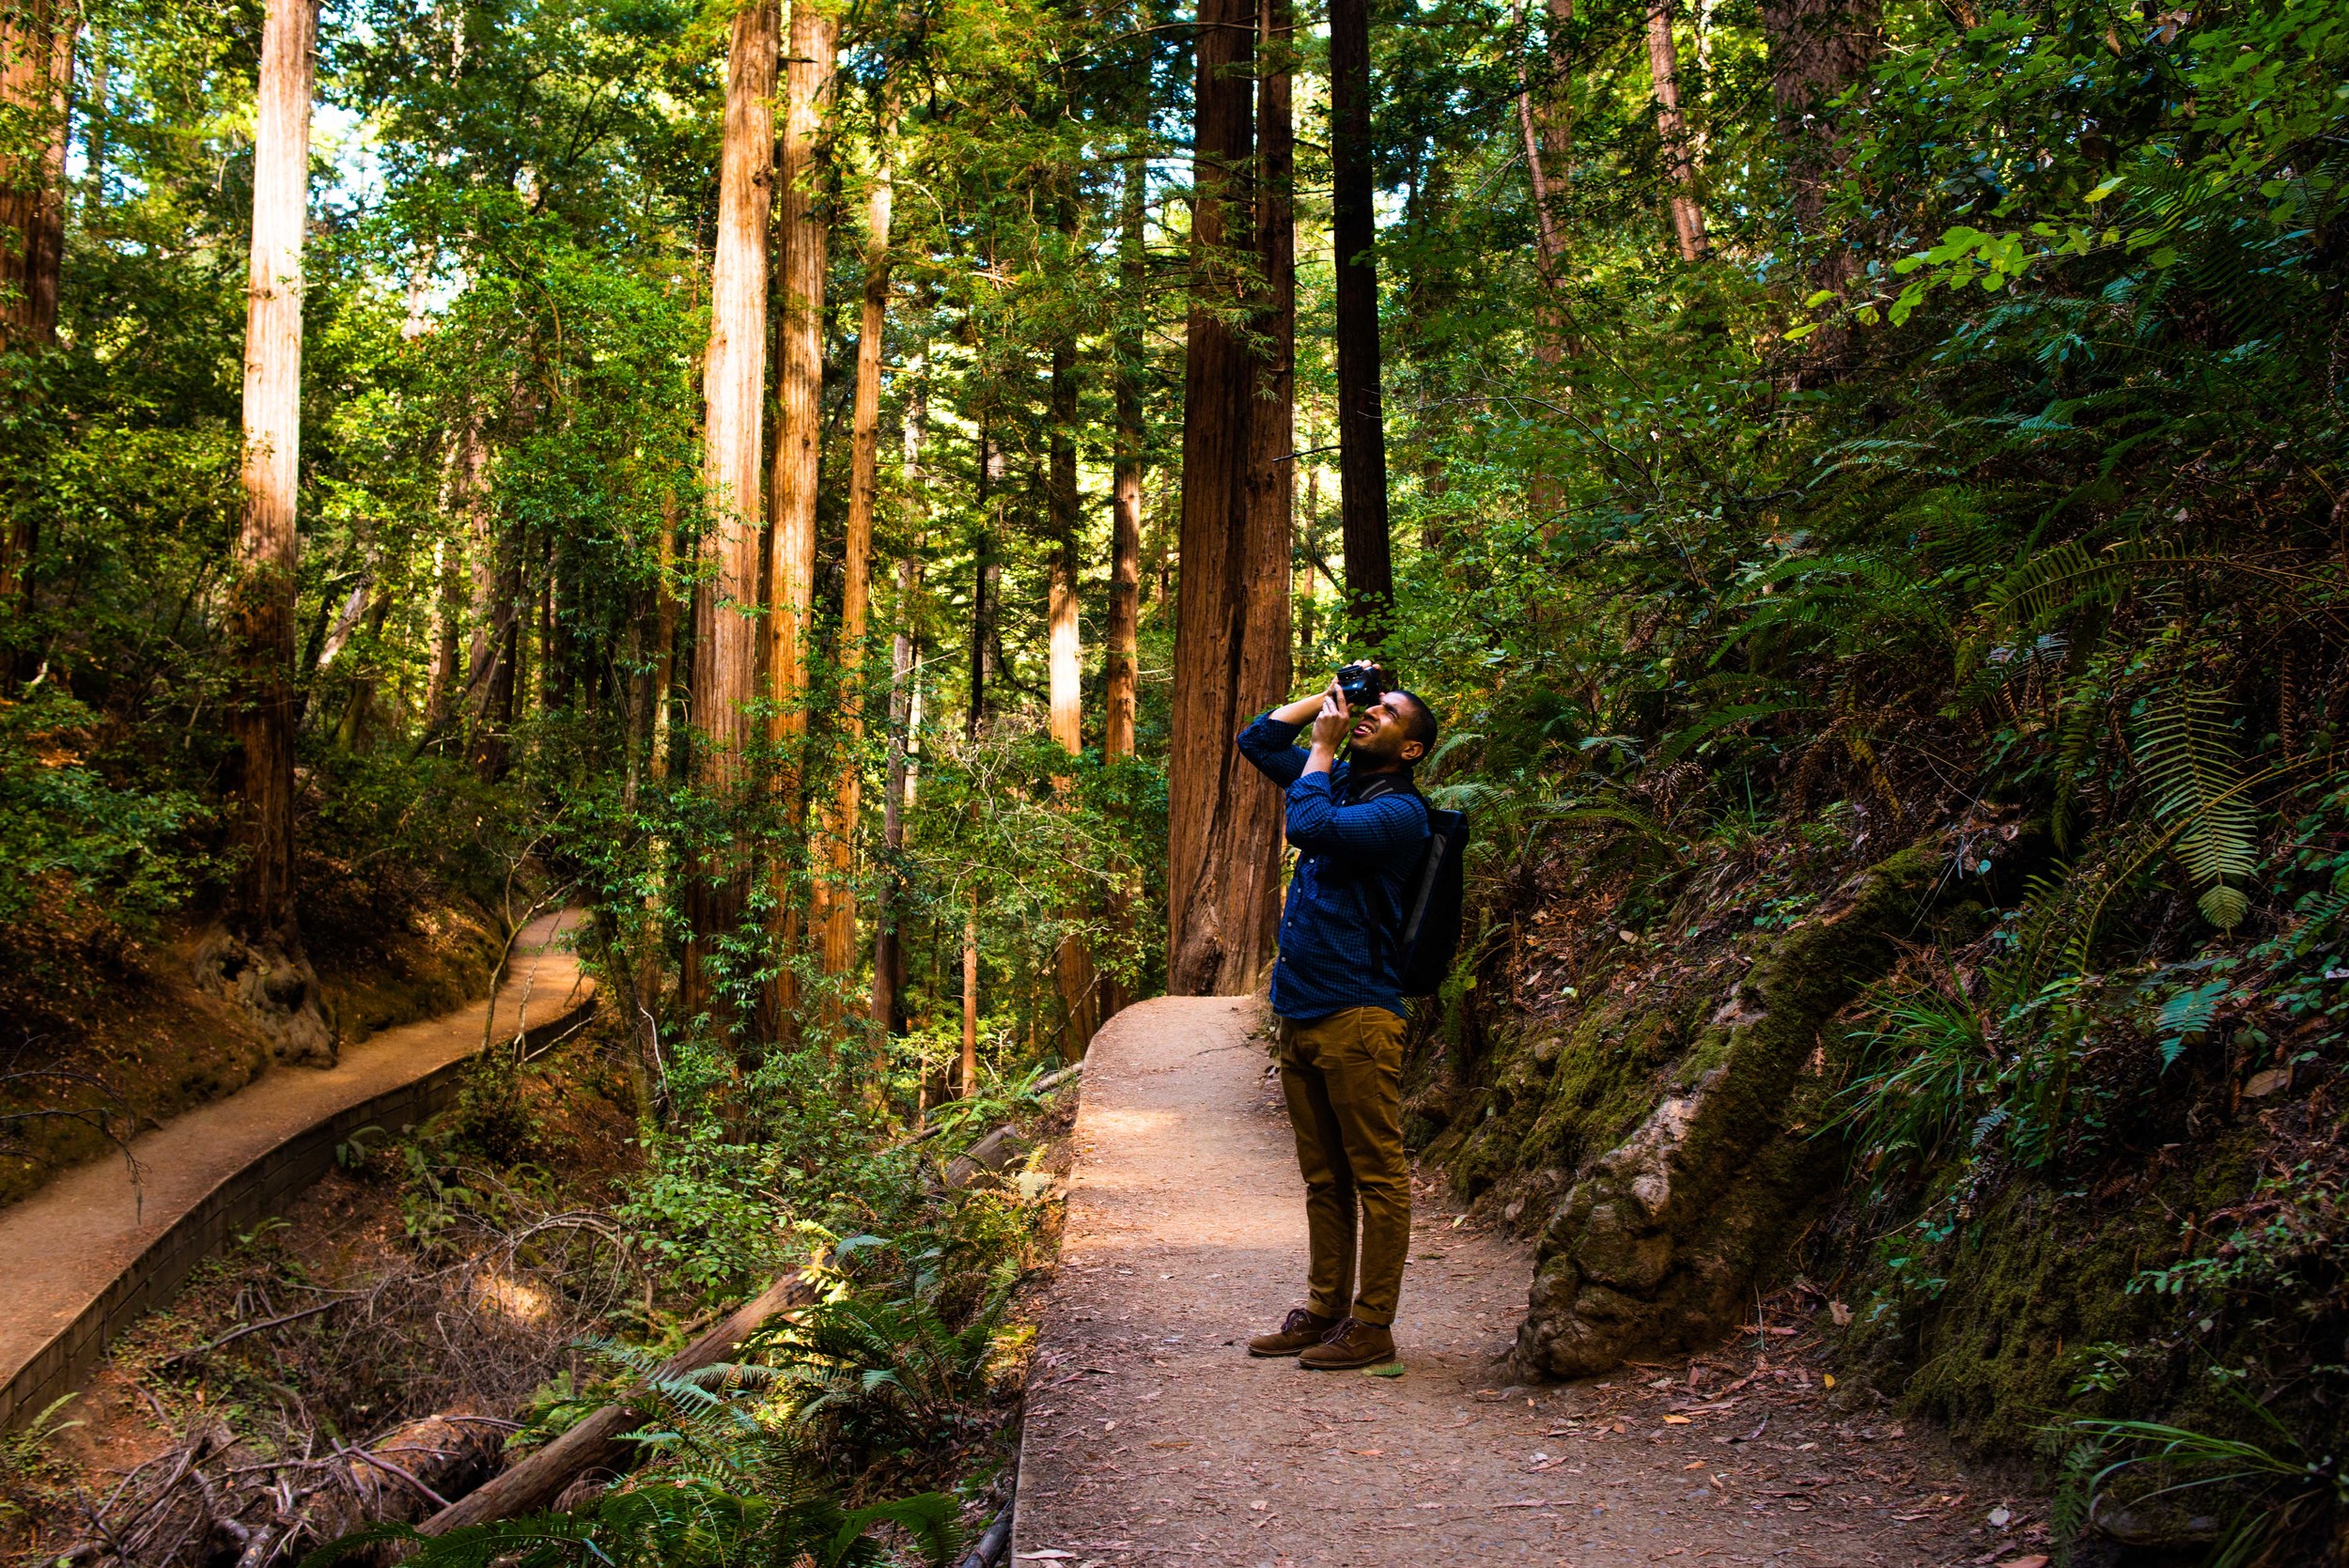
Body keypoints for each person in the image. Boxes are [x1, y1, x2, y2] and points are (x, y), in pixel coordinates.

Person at [1233, 675, 1439, 1370]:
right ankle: (1324, 1310)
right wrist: (1329, 694)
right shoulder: (1340, 780)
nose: (1371, 712)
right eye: (1372, 704)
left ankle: (1372, 1324)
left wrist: (1322, 747)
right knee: (1324, 1177)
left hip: (1359, 1014)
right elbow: (1258, 740)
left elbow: (1308, 828)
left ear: (1410, 749)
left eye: (1388, 713)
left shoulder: (1402, 813)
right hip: (1300, 1009)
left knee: (1376, 1175)